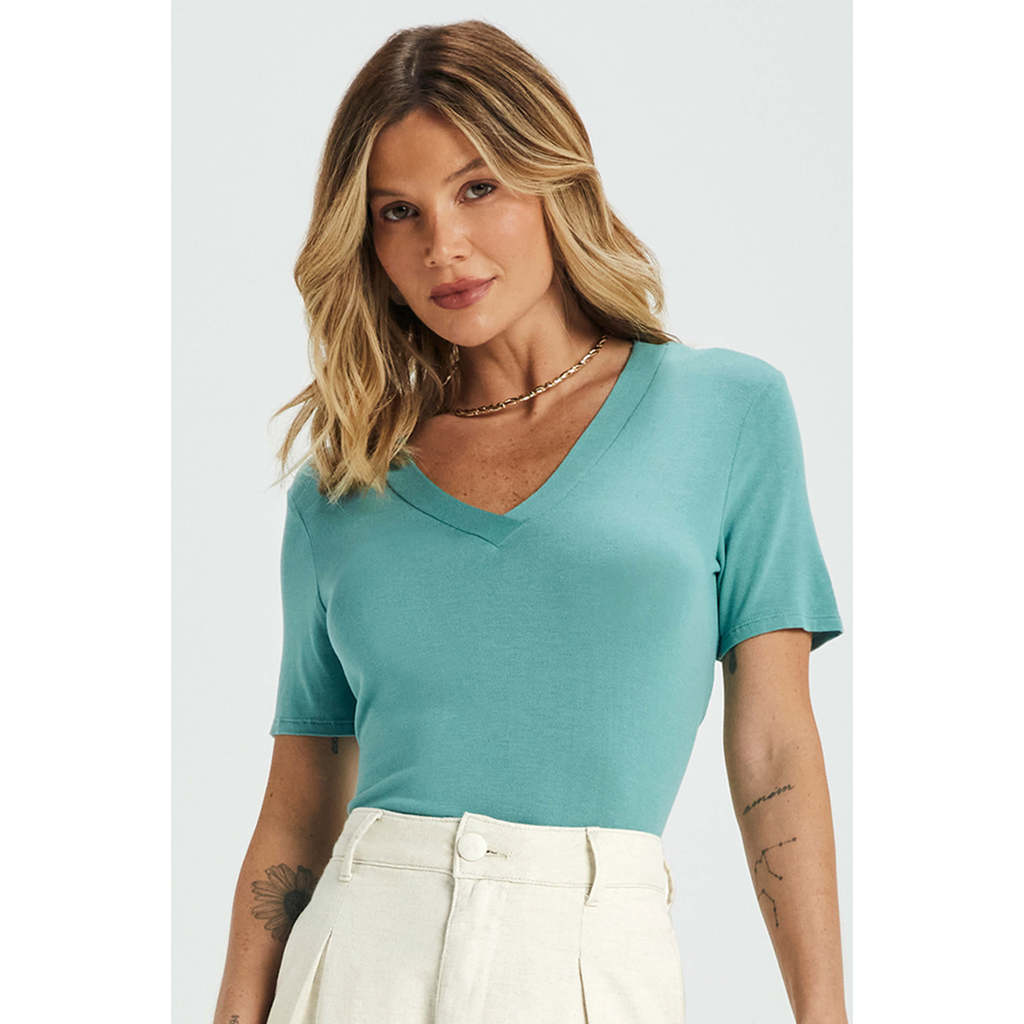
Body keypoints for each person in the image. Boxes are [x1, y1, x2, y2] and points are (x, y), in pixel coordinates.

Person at [212, 19, 848, 1024]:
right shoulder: (342, 490)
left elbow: (774, 746)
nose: (443, 247)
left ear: (555, 177)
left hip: (595, 956)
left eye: (478, 188)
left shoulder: (726, 412)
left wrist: (825, 1011)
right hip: (362, 955)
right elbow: (298, 808)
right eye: (397, 212)